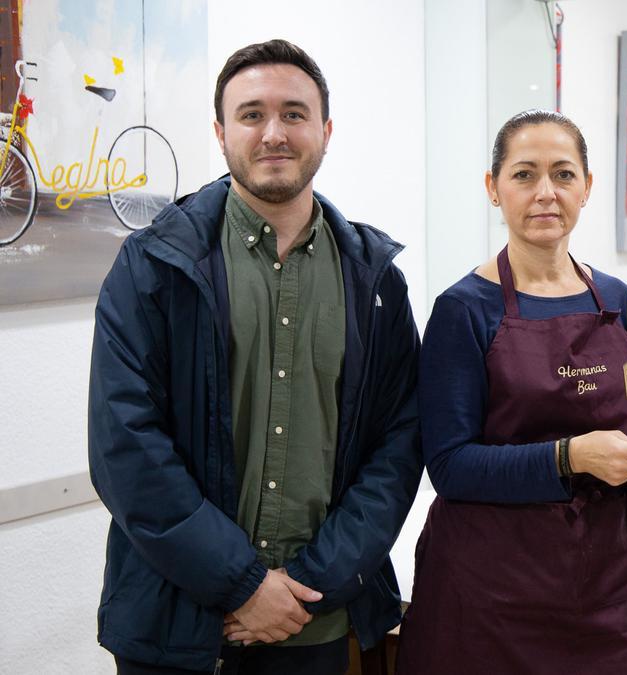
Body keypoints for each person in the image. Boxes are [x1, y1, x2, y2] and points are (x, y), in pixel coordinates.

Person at [88, 39, 423, 675]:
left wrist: (305, 586)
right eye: (251, 115)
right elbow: (125, 447)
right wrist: (242, 583)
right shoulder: (154, 266)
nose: (274, 133)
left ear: (326, 131)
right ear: (220, 133)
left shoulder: (375, 283)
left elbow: (398, 445)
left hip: (314, 619)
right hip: (179, 625)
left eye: (294, 114)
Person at [394, 109, 627, 674]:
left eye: (563, 174)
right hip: (488, 594)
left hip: (602, 586)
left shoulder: (626, 303)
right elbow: (450, 466)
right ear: (493, 188)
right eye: (524, 175)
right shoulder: (462, 311)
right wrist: (572, 456)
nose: (545, 193)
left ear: (587, 187)